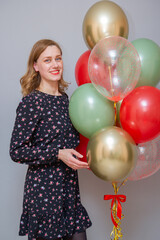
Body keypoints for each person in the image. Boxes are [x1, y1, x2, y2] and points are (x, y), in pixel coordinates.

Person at [10, 39, 92, 240]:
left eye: (58, 58)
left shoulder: (66, 100)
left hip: (69, 192)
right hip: (44, 195)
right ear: (36, 66)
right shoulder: (31, 103)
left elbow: (74, 141)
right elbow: (17, 151)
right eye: (47, 60)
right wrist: (57, 153)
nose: (55, 64)